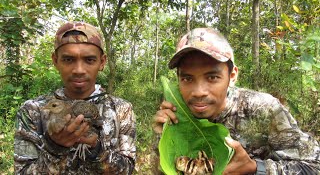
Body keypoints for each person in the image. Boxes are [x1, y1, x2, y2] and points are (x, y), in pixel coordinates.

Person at [153, 28, 320, 174]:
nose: (198, 92)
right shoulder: (175, 113)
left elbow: (314, 167)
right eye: (188, 79)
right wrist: (166, 141)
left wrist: (255, 168)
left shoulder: (262, 109)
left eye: (212, 77)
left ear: (232, 76)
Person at [14, 22, 136, 174]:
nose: (79, 70)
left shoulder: (121, 109)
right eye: (68, 59)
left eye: (89, 60)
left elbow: (127, 170)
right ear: (55, 61)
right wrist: (55, 148)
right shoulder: (33, 111)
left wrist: (96, 150)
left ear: (102, 62)